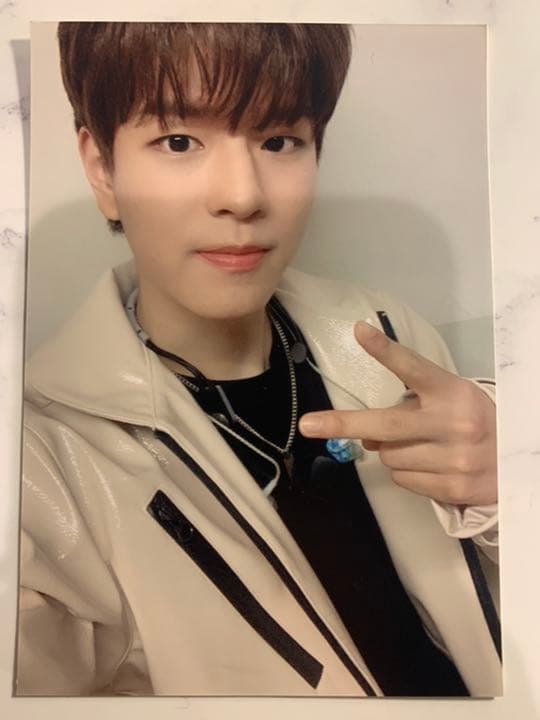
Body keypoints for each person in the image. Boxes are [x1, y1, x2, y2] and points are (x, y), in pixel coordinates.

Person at [17, 21, 501, 697]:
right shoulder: (40, 456)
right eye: (179, 141)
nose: (243, 196)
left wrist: (510, 489)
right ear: (102, 168)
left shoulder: (391, 337)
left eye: (278, 140)